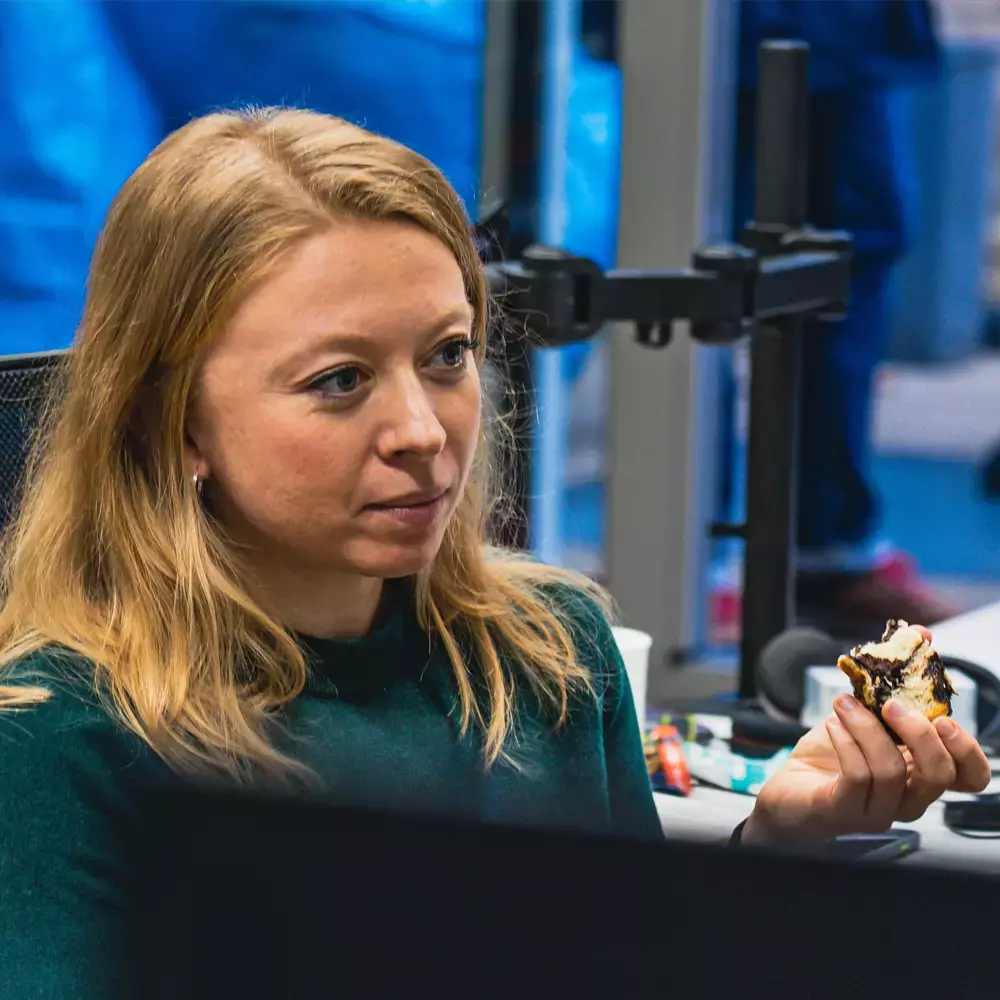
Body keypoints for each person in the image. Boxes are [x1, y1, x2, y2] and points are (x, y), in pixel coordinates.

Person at [0, 109, 989, 998]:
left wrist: (774, 851)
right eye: (340, 380)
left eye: (447, 354)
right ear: (174, 425)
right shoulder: (65, 736)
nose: (423, 431)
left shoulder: (548, 650)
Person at [733, 0, 957, 634]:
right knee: (706, 260)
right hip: (720, 39)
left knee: (852, 257)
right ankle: (701, 556)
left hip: (849, 38)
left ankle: (828, 545)